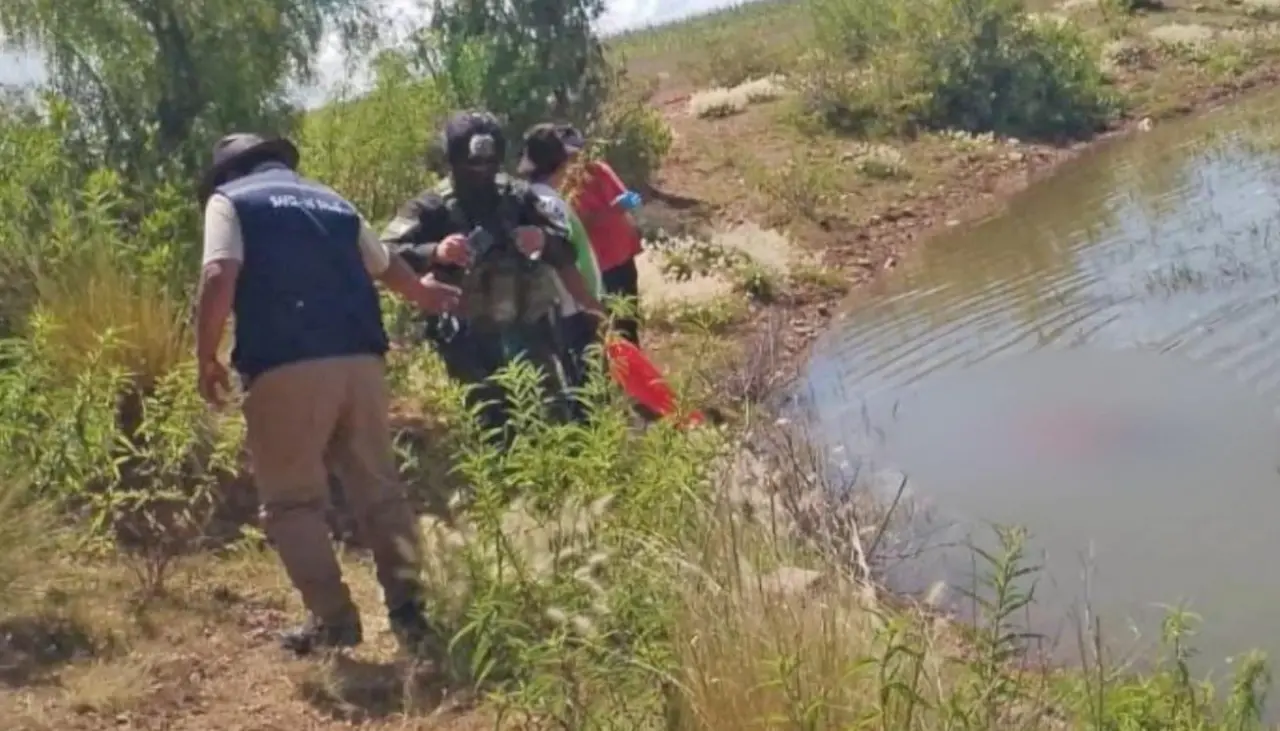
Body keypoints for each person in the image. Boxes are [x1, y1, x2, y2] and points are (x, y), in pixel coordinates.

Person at [193, 132, 462, 658]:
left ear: (228, 173)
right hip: (362, 362)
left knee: (292, 501)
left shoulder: (231, 201)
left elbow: (219, 272)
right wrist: (423, 293)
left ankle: (334, 620)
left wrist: (206, 355)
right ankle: (412, 614)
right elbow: (386, 264)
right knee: (379, 491)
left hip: (285, 364)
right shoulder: (332, 200)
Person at [380, 111, 604, 438]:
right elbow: (385, 252)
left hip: (530, 332)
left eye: (489, 163)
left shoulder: (520, 196)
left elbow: (565, 249)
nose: (482, 172)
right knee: (490, 428)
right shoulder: (431, 207)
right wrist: (435, 251)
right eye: (473, 164)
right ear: (454, 160)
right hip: (469, 341)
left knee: (551, 418)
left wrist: (542, 239)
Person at [517, 123, 604, 391]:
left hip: (567, 311)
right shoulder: (549, 205)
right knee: (587, 391)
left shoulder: (533, 198)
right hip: (574, 313)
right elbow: (562, 262)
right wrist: (591, 305)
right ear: (561, 163)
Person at [555, 127, 645, 346]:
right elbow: (579, 223)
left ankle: (632, 364)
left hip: (622, 255)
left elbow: (623, 199)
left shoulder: (598, 170)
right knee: (604, 326)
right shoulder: (561, 186)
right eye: (569, 154)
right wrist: (611, 210)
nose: (575, 159)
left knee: (628, 321)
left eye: (577, 152)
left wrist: (627, 203)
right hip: (596, 265)